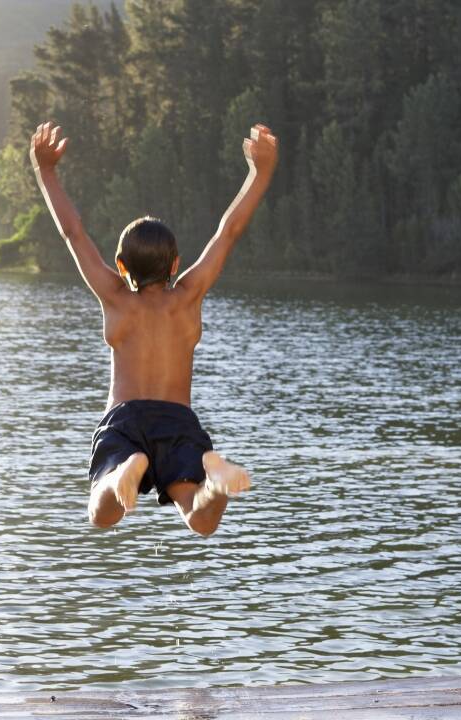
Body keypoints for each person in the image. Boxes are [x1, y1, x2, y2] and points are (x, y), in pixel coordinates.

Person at [30, 120, 278, 536]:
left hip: (125, 420)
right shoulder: (188, 296)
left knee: (102, 513)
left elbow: (72, 233)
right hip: (177, 421)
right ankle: (214, 483)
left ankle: (123, 470)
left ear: (122, 266)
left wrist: (46, 171)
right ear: (176, 265)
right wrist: (261, 172)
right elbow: (229, 231)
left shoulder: (116, 297)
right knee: (200, 520)